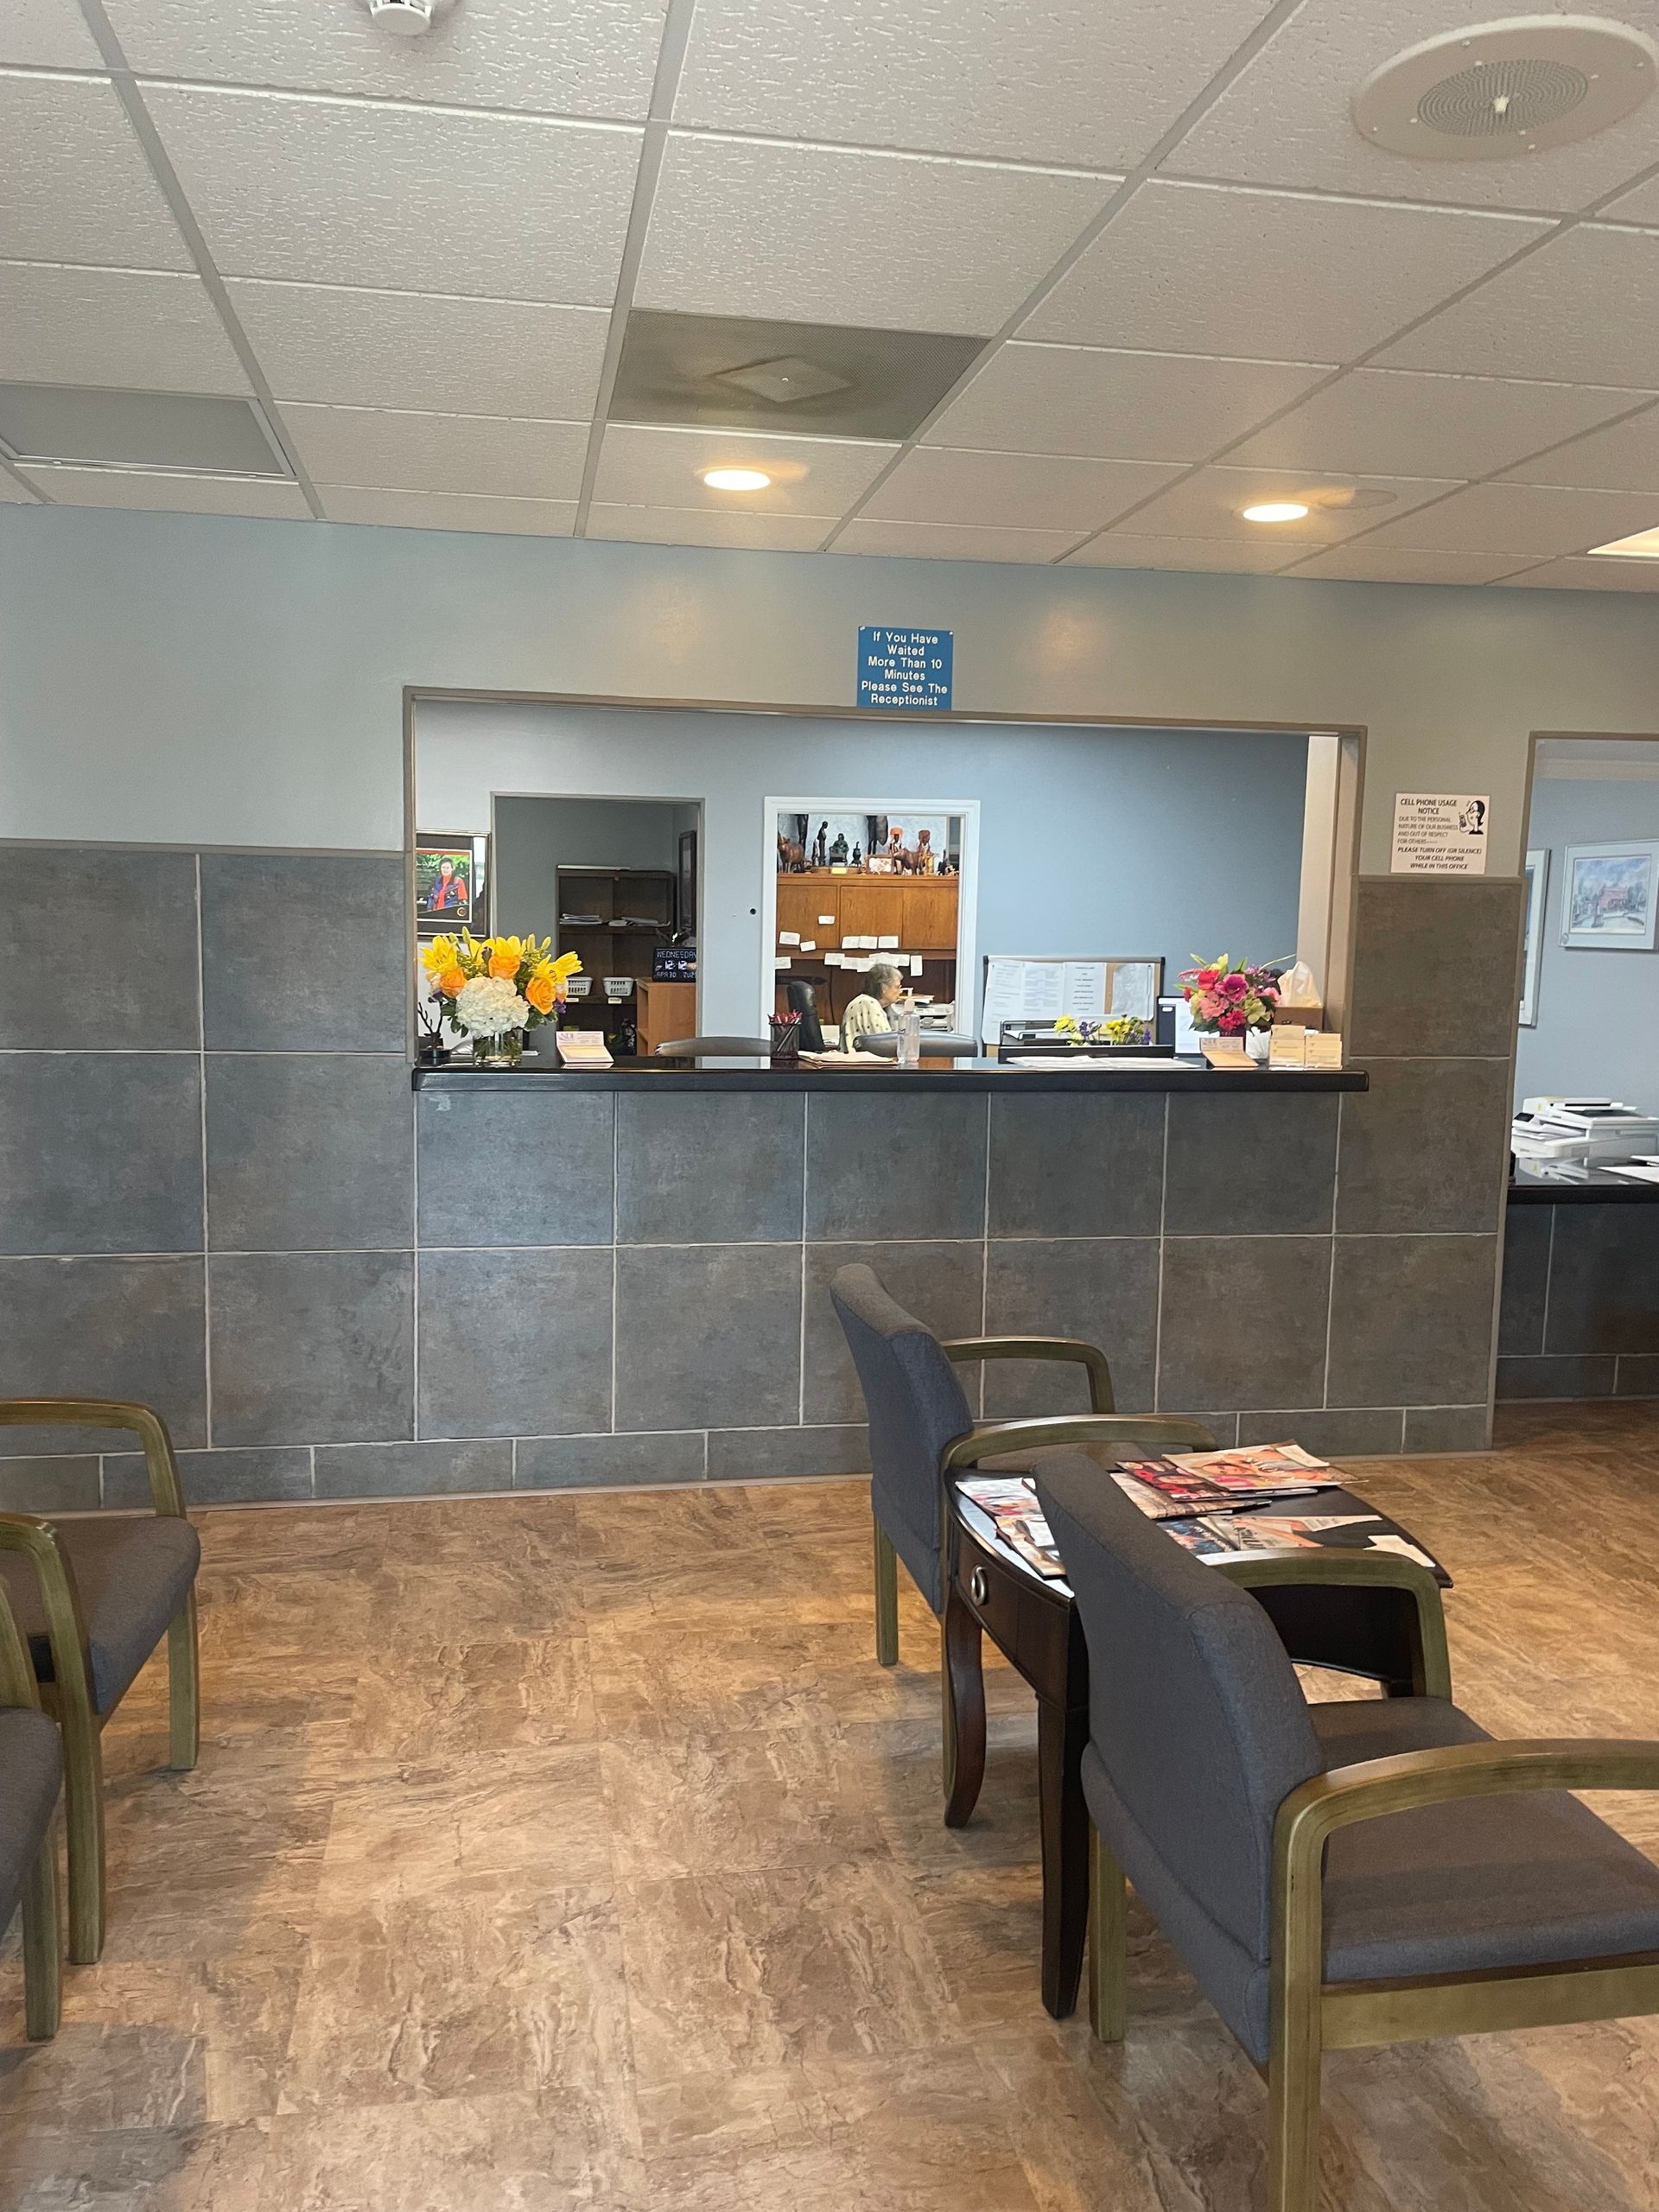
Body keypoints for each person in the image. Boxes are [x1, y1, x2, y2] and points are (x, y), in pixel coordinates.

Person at [840, 961, 906, 1052]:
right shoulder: (868, 1004)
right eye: (897, 987)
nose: (900, 991)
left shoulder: (874, 1004)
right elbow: (887, 1045)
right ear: (884, 987)